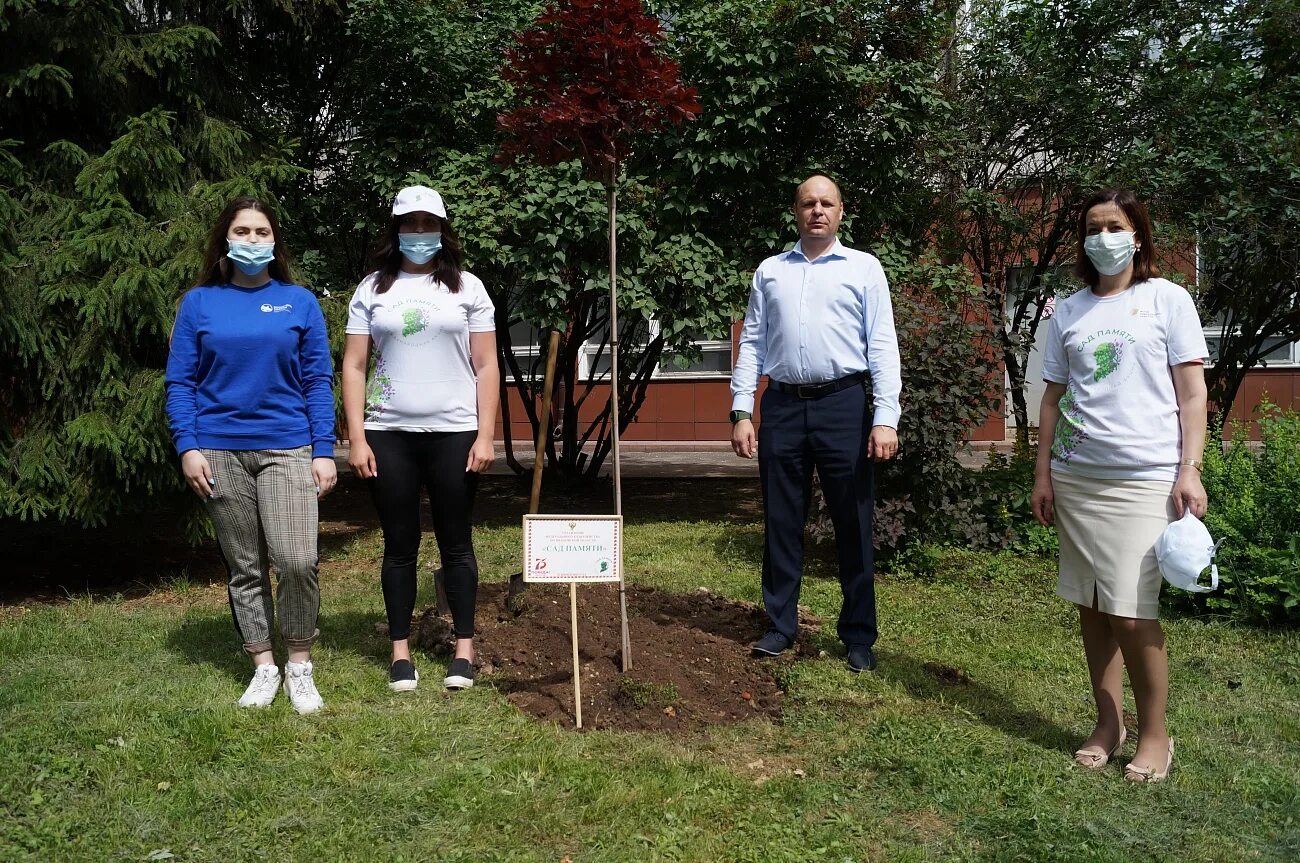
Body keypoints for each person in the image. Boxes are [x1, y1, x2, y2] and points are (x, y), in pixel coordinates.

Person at [1031, 188, 1208, 783]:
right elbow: (1052, 397)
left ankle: (1156, 733)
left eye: (1114, 225)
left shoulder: (1167, 300)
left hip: (1144, 478)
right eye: (1092, 227)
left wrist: (1190, 469)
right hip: (1078, 477)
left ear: (1137, 234)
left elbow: (1191, 393)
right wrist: (1043, 474)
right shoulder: (1069, 310)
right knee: (1093, 607)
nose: (1102, 237)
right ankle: (1109, 724)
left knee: (1132, 614)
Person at [165, 196, 337, 715]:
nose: (253, 240)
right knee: (245, 567)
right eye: (243, 231)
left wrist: (324, 450)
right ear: (225, 240)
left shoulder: (299, 301)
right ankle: (264, 665)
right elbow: (180, 382)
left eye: (263, 232)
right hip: (218, 450)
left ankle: (299, 665)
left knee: (297, 559)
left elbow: (317, 381)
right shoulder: (198, 303)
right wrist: (188, 446)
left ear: (275, 242)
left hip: (288, 445)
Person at [730, 174, 901, 673]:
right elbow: (753, 345)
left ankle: (858, 636)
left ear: (841, 212)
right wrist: (743, 410)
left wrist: (885, 417)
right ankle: (781, 626)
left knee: (852, 521)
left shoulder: (864, 268)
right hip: (782, 407)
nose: (818, 211)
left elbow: (883, 345)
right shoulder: (771, 272)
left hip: (844, 405)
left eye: (827, 203)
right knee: (781, 521)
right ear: (796, 211)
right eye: (809, 203)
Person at [341, 185, 499, 692]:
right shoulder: (372, 289)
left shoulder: (468, 288)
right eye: (409, 224)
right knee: (398, 545)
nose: (418, 233)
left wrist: (486, 435)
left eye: (427, 224)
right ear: (395, 230)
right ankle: (400, 653)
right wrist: (357, 439)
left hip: (456, 433)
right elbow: (354, 364)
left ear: (442, 230)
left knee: (457, 543)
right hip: (388, 434)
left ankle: (464, 650)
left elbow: (487, 363)